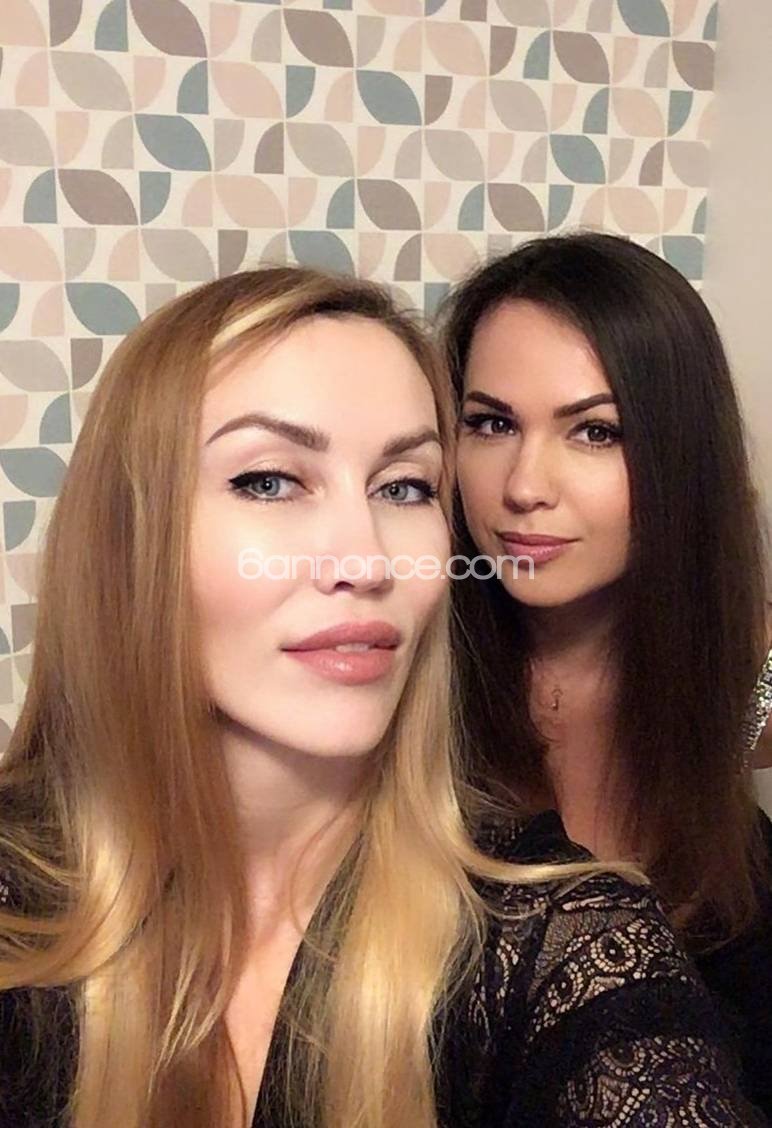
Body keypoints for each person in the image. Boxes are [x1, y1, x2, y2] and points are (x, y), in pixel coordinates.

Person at [0, 266, 763, 1128]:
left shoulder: (568, 928)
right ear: (125, 532)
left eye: (403, 486)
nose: (366, 561)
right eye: (268, 480)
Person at [442, 229, 772, 1118]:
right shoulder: (400, 687)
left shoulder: (747, 681)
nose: (524, 486)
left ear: (679, 454)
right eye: (491, 423)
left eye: (595, 431)